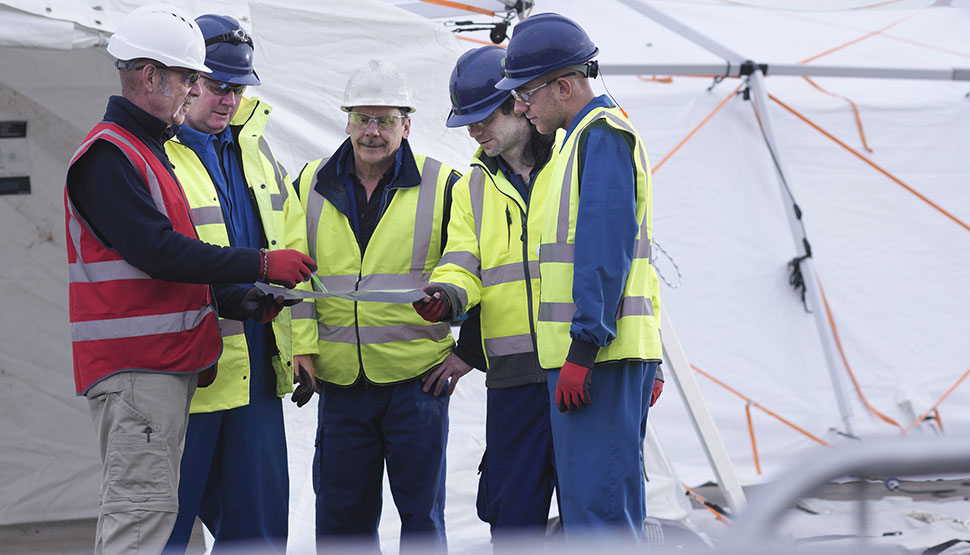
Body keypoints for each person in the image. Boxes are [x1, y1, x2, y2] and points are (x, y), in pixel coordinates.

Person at [64, 5, 316, 553]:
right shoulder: (112, 155)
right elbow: (159, 252)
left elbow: (174, 265)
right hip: (142, 370)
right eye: (189, 79)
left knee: (164, 523)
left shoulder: (146, 151)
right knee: (145, 529)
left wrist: (244, 300)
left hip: (176, 366)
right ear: (151, 76)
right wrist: (260, 264)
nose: (195, 91)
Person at [494, 12, 664, 541]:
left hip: (598, 359)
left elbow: (603, 254)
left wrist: (584, 350)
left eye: (526, 94)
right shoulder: (577, 140)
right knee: (596, 510)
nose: (521, 107)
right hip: (595, 357)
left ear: (563, 86)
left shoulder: (601, 137)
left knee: (601, 518)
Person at [161, 15, 318, 553]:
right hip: (187, 374)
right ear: (187, 80)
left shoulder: (257, 150)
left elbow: (295, 255)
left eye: (239, 86)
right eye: (218, 84)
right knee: (165, 529)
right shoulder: (153, 153)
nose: (230, 98)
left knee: (258, 530)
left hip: (255, 368)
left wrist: (305, 348)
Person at [295, 59, 460, 553]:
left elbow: (475, 270)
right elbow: (298, 281)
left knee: (423, 522)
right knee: (342, 523)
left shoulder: (445, 186)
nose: (372, 131)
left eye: (385, 119)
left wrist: (469, 350)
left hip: (418, 386)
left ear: (406, 125)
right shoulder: (309, 185)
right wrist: (302, 350)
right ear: (346, 120)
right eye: (363, 118)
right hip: (341, 384)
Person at [411, 45, 559, 546]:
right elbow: (463, 261)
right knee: (513, 519)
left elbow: (623, 265)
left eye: (482, 117)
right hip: (514, 377)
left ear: (519, 101)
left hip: (584, 367)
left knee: (594, 517)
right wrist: (445, 296)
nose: (474, 131)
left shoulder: (575, 166)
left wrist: (651, 364)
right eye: (466, 121)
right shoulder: (472, 186)